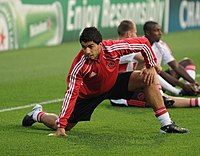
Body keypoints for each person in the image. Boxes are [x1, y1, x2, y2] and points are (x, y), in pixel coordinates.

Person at [22, 26, 188, 137]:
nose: (87, 51)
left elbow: (144, 43)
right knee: (63, 125)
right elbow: (71, 94)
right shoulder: (80, 66)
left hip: (113, 82)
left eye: (91, 46)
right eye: (83, 47)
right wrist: (61, 126)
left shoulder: (112, 48)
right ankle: (37, 114)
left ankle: (166, 125)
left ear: (100, 44)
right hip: (89, 95)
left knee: (146, 77)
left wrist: (151, 65)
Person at [111, 20, 200, 108]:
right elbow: (146, 60)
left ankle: (191, 89)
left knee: (160, 93)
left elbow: (173, 66)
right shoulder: (125, 47)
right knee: (159, 100)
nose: (160, 33)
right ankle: (182, 96)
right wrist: (155, 65)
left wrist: (191, 83)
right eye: (135, 33)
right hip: (122, 94)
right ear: (129, 34)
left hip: (134, 84)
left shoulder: (159, 45)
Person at [143, 21, 200, 96]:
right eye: (156, 30)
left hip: (160, 78)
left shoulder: (161, 45)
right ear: (147, 33)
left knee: (187, 62)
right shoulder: (141, 45)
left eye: (160, 30)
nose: (160, 33)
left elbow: (175, 66)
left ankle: (192, 87)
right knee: (153, 72)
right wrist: (182, 85)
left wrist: (193, 82)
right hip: (147, 80)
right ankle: (178, 92)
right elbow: (157, 71)